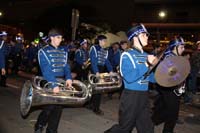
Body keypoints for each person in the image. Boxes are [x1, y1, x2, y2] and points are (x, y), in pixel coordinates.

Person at [105, 23, 157, 133]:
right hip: (131, 97)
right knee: (124, 128)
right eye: (144, 35)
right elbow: (129, 77)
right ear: (135, 37)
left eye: (147, 35)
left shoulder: (146, 55)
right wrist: (147, 64)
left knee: (147, 128)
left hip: (144, 96)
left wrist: (167, 76)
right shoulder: (127, 54)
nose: (147, 37)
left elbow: (151, 78)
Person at [34, 28, 72, 133]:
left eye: (61, 37)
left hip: (61, 81)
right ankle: (40, 124)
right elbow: (46, 70)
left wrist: (68, 77)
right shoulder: (43, 51)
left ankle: (52, 129)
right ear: (52, 38)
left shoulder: (63, 51)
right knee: (49, 107)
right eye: (58, 37)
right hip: (49, 81)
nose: (61, 39)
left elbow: (66, 66)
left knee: (58, 108)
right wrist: (54, 84)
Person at [152, 36, 186, 133]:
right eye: (181, 47)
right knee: (173, 113)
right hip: (169, 89)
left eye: (183, 47)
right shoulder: (169, 58)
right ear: (174, 47)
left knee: (164, 108)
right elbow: (170, 75)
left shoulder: (176, 57)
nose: (183, 49)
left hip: (172, 88)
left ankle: (152, 121)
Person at [88, 35, 113, 115]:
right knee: (97, 90)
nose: (105, 43)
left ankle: (92, 105)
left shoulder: (105, 50)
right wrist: (96, 72)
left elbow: (107, 61)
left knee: (97, 89)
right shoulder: (94, 48)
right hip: (95, 70)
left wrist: (111, 70)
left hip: (101, 70)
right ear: (100, 41)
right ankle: (96, 108)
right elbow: (93, 61)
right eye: (104, 41)